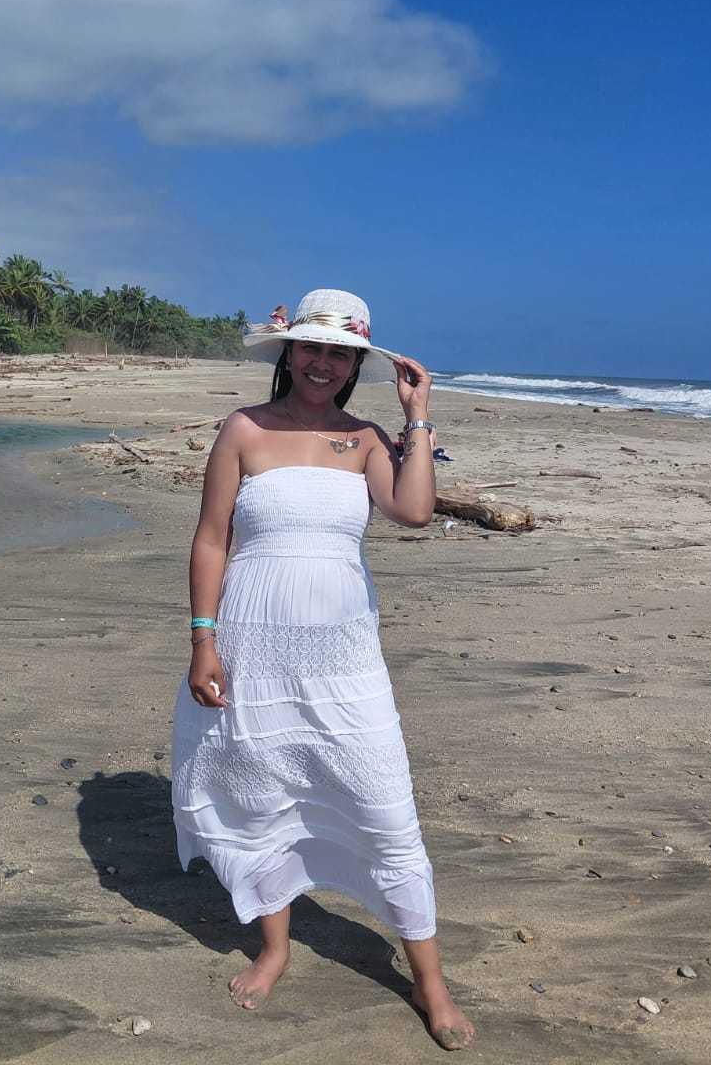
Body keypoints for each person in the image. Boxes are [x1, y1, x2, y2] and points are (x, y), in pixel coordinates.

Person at [170, 288, 475, 1050]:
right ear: (289, 352)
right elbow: (212, 539)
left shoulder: (365, 438)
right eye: (313, 348)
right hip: (253, 649)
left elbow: (414, 512)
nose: (324, 364)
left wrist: (416, 416)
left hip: (344, 658)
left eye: (341, 355)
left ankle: (430, 981)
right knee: (260, 796)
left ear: (355, 366)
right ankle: (274, 948)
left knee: (385, 805)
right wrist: (203, 640)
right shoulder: (244, 429)